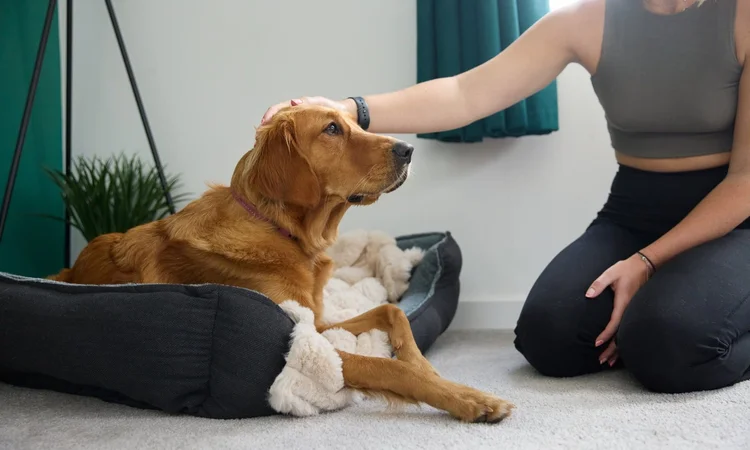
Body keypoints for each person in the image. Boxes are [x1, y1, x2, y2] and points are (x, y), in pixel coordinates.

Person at [260, 0, 750, 394]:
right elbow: (464, 94)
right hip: (634, 210)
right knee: (549, 339)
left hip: (734, 218)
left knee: (667, 348)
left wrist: (646, 263)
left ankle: (661, 324)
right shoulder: (587, 20)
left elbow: (743, 181)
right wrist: (347, 109)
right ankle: (658, 316)